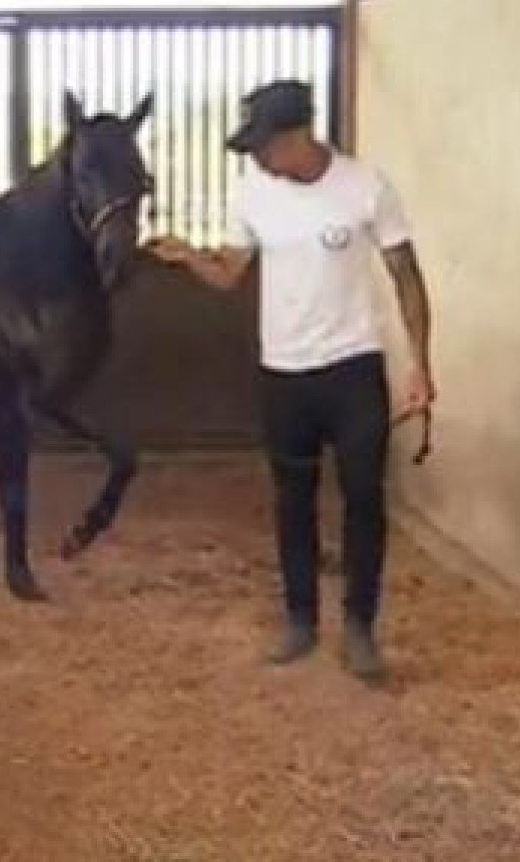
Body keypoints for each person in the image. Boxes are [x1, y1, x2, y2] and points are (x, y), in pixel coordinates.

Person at [147, 78, 434, 683]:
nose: (257, 160)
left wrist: (421, 364)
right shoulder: (254, 192)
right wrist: (189, 256)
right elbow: (232, 274)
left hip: (353, 368)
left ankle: (360, 627)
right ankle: (300, 619)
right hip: (284, 373)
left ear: (300, 135)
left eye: (264, 147)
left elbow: (407, 275)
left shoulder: (364, 186)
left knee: (363, 501)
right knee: (293, 503)